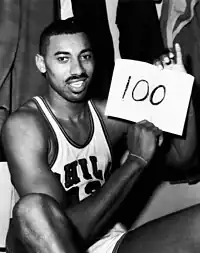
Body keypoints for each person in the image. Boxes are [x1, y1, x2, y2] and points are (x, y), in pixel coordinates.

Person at [1, 17, 197, 253]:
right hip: (42, 245)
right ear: (42, 63)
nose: (78, 70)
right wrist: (135, 162)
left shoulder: (108, 115)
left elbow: (181, 156)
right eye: (63, 58)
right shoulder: (26, 126)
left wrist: (179, 92)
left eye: (85, 56)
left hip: (106, 241)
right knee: (31, 208)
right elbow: (64, 231)